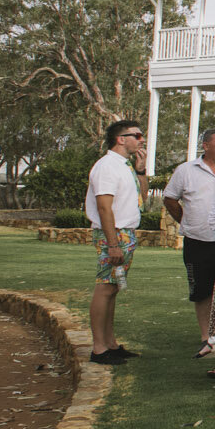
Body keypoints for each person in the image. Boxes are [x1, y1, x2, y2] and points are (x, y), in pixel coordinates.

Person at [163, 127, 215, 357]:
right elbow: (170, 198)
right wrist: (186, 220)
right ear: (206, 145)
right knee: (202, 290)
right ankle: (207, 338)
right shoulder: (186, 170)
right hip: (198, 240)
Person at [85, 118, 147, 364]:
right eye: (137, 135)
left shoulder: (125, 165)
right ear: (121, 139)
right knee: (105, 287)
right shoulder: (107, 166)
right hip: (114, 233)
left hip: (125, 232)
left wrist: (141, 170)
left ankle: (110, 343)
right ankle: (99, 348)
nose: (141, 139)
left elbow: (141, 197)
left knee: (113, 288)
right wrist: (112, 243)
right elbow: (104, 207)